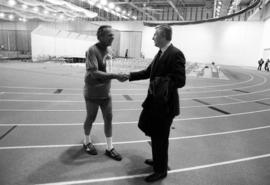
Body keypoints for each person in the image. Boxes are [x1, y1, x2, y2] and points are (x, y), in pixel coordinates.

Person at [126, 24, 186, 182]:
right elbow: (147, 73)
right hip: (155, 103)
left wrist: (161, 83)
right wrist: (128, 76)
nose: (153, 38)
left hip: (166, 106)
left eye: (155, 35)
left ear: (164, 37)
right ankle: (157, 159)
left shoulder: (175, 54)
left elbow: (180, 81)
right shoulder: (160, 53)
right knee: (153, 132)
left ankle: (161, 170)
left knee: (161, 137)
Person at [83, 25, 126, 161]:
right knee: (91, 117)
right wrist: (115, 75)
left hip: (106, 92)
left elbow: (106, 69)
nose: (113, 37)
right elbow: (94, 72)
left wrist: (115, 76)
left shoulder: (109, 49)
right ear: (100, 36)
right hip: (93, 92)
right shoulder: (92, 50)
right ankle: (86, 142)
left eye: (113, 35)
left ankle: (109, 148)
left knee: (109, 118)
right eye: (109, 35)